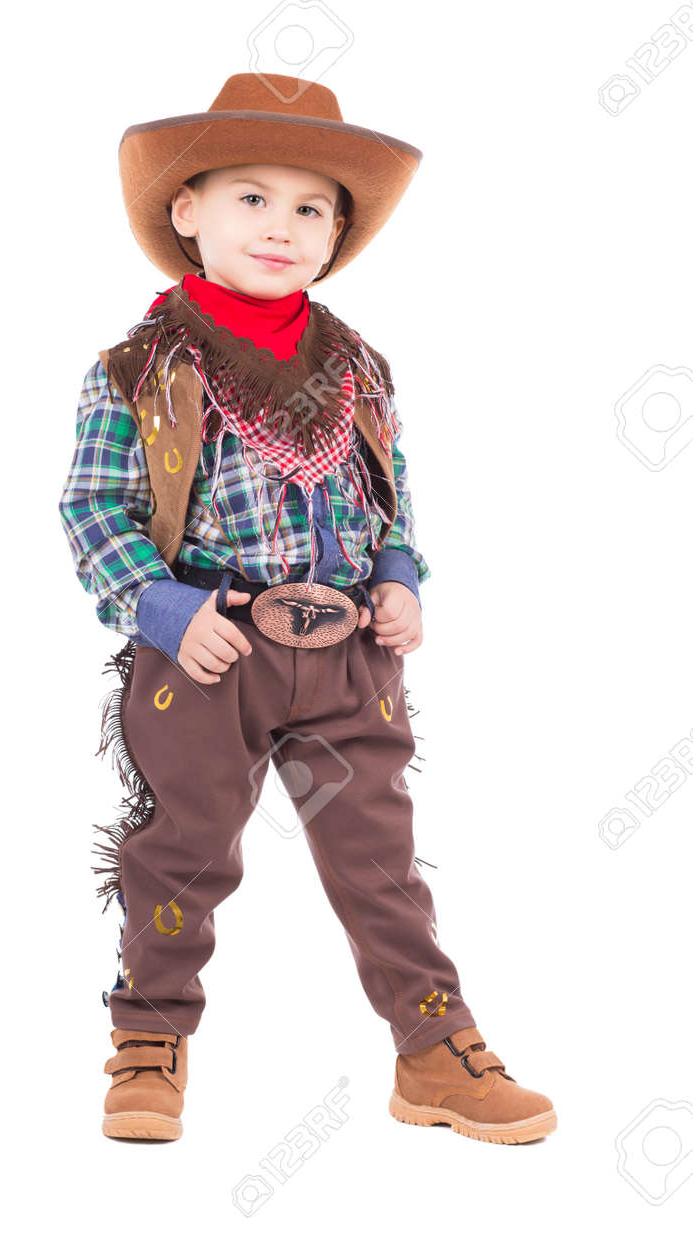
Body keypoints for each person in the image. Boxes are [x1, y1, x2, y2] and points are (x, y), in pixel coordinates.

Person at [59, 72, 557, 1146]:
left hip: (347, 652)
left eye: (309, 207)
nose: (280, 226)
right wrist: (161, 609)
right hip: (209, 650)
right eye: (251, 198)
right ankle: (149, 1034)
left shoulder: (360, 366)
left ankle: (433, 1047)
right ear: (186, 210)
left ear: (336, 234)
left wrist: (399, 576)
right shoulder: (140, 367)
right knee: (183, 848)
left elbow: (390, 495)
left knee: (379, 857)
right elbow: (93, 506)